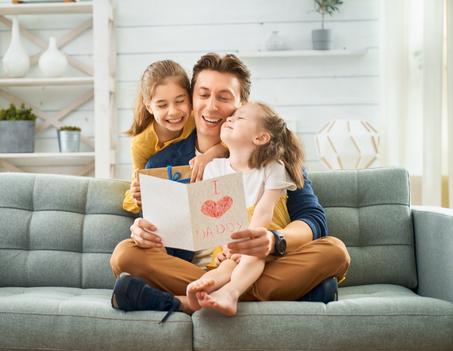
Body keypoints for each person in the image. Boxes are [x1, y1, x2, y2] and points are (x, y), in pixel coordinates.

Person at [110, 53, 350, 323]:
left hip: (259, 263)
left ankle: (183, 302)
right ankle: (289, 293)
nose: (211, 107)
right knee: (124, 254)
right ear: (192, 99)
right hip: (196, 268)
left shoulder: (272, 156)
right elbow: (155, 229)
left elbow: (313, 220)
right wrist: (143, 231)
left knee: (335, 251)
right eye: (203, 95)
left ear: (242, 105)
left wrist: (273, 240)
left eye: (224, 98)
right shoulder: (163, 162)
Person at [186, 102, 304, 317]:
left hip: (263, 242)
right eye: (231, 117)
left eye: (239, 118)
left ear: (260, 138)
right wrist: (228, 248)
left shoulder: (273, 167)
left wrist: (246, 246)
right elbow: (219, 218)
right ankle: (203, 286)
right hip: (229, 243)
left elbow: (264, 211)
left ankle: (230, 292)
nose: (229, 119)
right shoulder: (214, 168)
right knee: (226, 267)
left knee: (253, 256)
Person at [122, 59, 227, 214]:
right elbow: (139, 182)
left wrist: (210, 155)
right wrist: (137, 194)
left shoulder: (196, 118)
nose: (173, 112)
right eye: (162, 105)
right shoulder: (140, 143)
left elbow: (237, 136)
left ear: (190, 98)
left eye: (180, 101)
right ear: (149, 107)